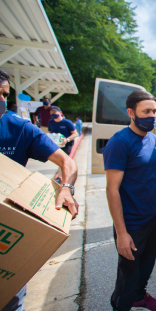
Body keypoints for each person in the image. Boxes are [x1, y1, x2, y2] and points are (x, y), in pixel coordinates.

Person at [0, 69, 79, 310]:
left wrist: (65, 188)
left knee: (11, 301)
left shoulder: (17, 128)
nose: (2, 100)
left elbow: (67, 162)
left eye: (4, 94)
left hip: (6, 231)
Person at [103, 90, 156, 311]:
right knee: (128, 276)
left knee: (146, 266)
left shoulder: (153, 139)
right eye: (146, 111)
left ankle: (139, 297)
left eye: (154, 111)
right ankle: (121, 305)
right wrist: (122, 233)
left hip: (151, 218)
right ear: (131, 112)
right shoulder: (119, 143)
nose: (152, 116)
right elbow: (112, 190)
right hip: (130, 223)